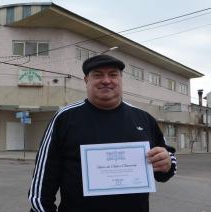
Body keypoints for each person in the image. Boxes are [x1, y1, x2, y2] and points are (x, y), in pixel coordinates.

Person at [28, 54, 177, 212]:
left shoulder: (143, 118)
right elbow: (43, 180)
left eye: (113, 74)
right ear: (86, 80)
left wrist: (166, 163)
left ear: (120, 79)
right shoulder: (65, 118)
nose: (106, 80)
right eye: (98, 75)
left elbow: (167, 161)